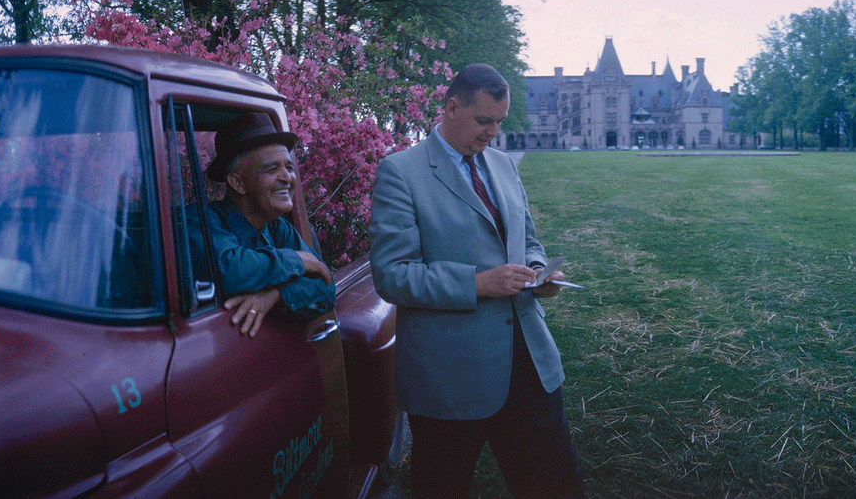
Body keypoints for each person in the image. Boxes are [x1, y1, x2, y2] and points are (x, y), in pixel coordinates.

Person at [369, 63, 586, 499]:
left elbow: (528, 240)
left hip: (530, 366)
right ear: (451, 107)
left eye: (500, 122)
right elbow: (392, 275)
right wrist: (479, 283)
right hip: (450, 379)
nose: (493, 132)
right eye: (484, 120)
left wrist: (539, 272)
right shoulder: (400, 173)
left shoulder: (503, 165)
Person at [186, 113, 335, 337]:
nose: (287, 178)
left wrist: (275, 295)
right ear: (238, 183)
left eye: (289, 167)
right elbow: (229, 271)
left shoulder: (277, 228)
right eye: (272, 169)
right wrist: (296, 260)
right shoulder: (201, 221)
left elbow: (325, 287)